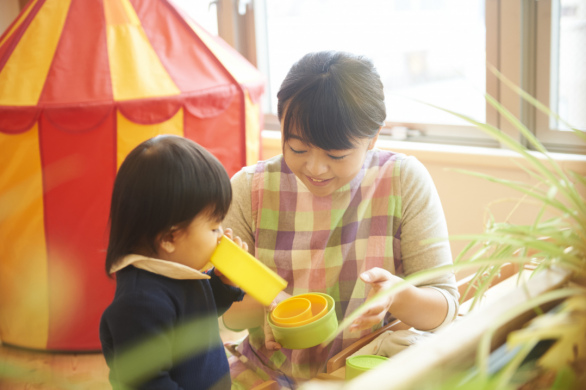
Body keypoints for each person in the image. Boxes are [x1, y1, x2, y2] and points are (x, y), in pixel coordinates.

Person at [222, 51, 459, 388]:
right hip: (267, 370)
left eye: (336, 155)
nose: (315, 168)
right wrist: (266, 306)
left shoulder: (403, 180)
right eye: (298, 149)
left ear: (373, 137)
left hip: (370, 370)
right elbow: (229, 315)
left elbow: (445, 309)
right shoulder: (249, 189)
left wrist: (398, 296)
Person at [99, 135, 246, 390]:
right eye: (213, 228)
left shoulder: (176, 271)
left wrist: (222, 284)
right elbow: (148, 383)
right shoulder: (139, 303)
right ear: (169, 237)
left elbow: (194, 318)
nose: (222, 235)